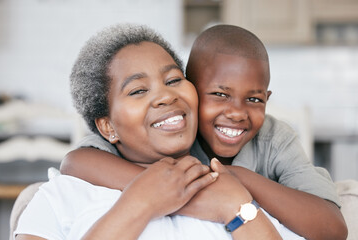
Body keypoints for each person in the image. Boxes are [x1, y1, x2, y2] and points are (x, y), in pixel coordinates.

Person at [60, 24, 348, 240]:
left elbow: (332, 228)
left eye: (254, 99)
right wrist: (169, 191)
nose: (237, 113)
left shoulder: (273, 138)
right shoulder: (170, 135)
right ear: (193, 91)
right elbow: (76, 161)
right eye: (219, 95)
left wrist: (240, 179)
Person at [14, 24, 285, 240]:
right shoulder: (63, 196)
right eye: (138, 90)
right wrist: (141, 202)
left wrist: (237, 207)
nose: (166, 96)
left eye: (174, 80)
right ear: (108, 127)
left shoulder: (238, 192)